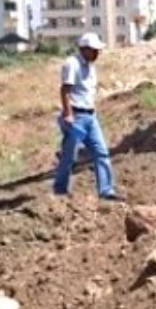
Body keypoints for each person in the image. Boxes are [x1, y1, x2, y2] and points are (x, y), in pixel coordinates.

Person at [53, 33, 124, 201]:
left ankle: (106, 191)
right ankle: (60, 190)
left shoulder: (91, 66)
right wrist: (68, 114)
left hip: (90, 117)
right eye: (94, 50)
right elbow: (65, 91)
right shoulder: (72, 64)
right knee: (69, 156)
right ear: (84, 49)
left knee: (102, 152)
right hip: (76, 116)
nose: (97, 54)